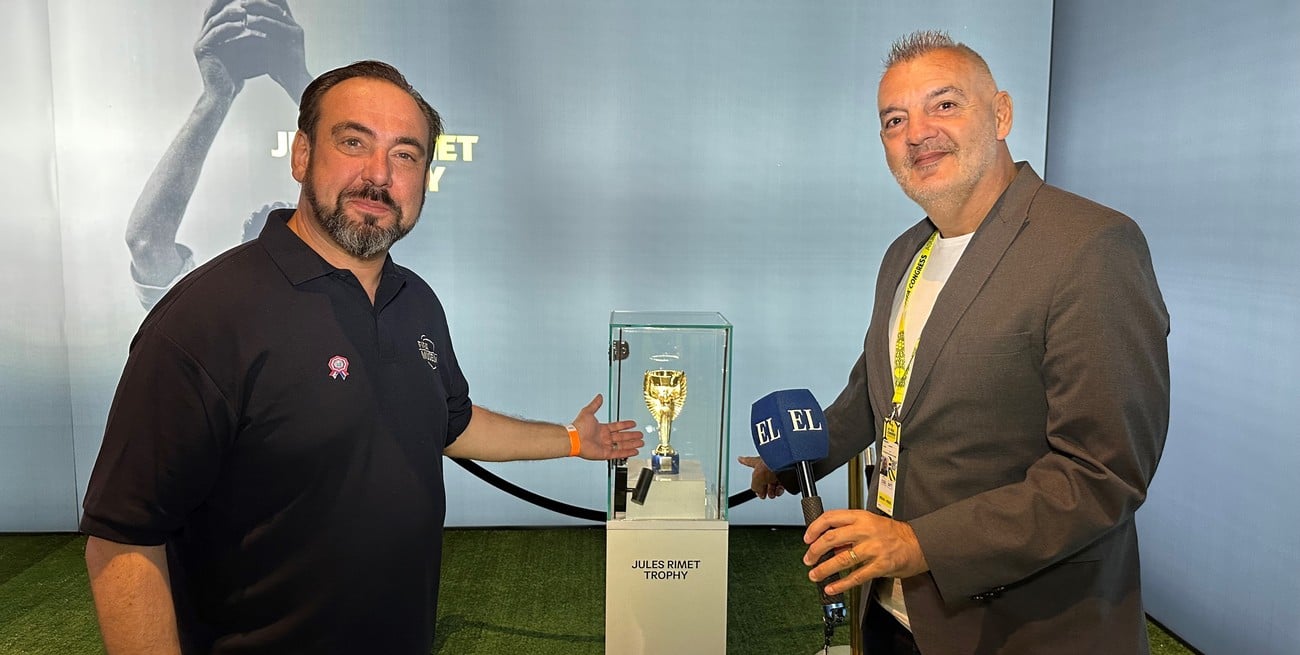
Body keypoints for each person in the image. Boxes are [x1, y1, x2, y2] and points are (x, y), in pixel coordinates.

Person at [82, 60, 644, 655]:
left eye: (405, 155)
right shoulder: (205, 320)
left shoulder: (416, 302)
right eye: (353, 142)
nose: (379, 175)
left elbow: (450, 422)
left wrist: (575, 440)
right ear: (301, 156)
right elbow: (123, 538)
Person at [741, 30, 1169, 654]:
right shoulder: (904, 253)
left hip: (1019, 626)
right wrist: (807, 453)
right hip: (891, 609)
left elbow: (1102, 473)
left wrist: (920, 545)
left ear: (1001, 114)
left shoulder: (1090, 246)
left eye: (944, 105)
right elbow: (882, 390)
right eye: (895, 119)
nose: (918, 133)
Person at [126, 0, 310, 309]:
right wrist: (216, 95)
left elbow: (147, 244)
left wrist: (301, 82)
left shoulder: (350, 304)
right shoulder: (215, 317)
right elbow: (147, 245)